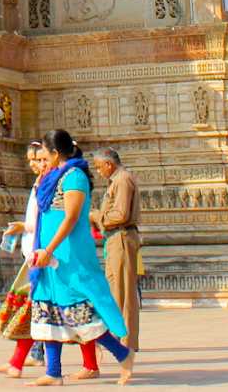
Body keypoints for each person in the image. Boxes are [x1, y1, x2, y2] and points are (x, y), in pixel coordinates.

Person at [27, 130, 134, 385]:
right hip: (47, 253)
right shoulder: (51, 177)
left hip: (66, 253)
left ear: (55, 153)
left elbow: (71, 218)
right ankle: (53, 371)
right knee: (46, 306)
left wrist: (49, 249)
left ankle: (123, 354)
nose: (42, 159)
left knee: (79, 312)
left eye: (45, 153)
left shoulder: (74, 177)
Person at [0, 139, 51, 379]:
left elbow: (46, 222)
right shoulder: (40, 183)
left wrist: (23, 226)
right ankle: (18, 362)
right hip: (34, 253)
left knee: (71, 316)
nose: (34, 164)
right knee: (35, 310)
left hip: (45, 255)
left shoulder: (52, 184)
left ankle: (116, 354)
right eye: (31, 160)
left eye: (39, 159)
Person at [89, 146, 143, 356]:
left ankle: (127, 342)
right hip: (115, 239)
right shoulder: (118, 181)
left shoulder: (122, 180)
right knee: (115, 290)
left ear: (109, 164)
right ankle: (120, 337)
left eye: (99, 167)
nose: (98, 171)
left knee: (124, 292)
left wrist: (96, 217)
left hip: (121, 236)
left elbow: (120, 214)